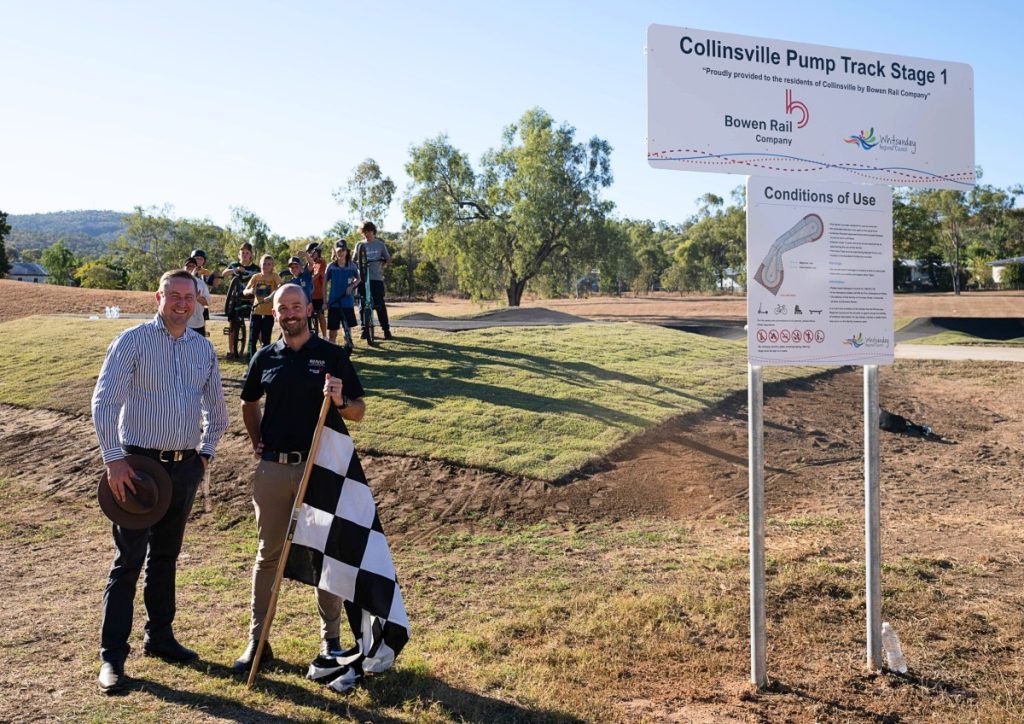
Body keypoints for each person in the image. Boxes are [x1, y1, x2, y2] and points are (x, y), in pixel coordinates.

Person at [91, 270, 229, 694]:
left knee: (166, 556)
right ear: (159, 297)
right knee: (128, 561)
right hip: (137, 468)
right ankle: (113, 656)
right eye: (174, 296)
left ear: (197, 301)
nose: (182, 304)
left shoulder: (203, 348)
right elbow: (104, 400)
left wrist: (204, 454)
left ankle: (161, 637)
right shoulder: (132, 341)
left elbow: (218, 411)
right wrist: (114, 461)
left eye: (189, 297)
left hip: (184, 466)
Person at [233, 283, 366, 672]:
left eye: (296, 306)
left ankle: (332, 644)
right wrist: (258, 441)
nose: (289, 313)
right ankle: (258, 641)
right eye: (282, 308)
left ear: (308, 309)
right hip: (273, 469)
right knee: (268, 555)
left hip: (320, 469)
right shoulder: (264, 357)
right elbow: (248, 402)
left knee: (325, 554)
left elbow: (359, 411)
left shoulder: (331, 355)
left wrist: (341, 399)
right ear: (273, 313)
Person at [352, 221, 392, 340]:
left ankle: (386, 330)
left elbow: (388, 258)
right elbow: (353, 260)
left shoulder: (380, 244)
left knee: (380, 304)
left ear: (373, 231)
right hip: (362, 279)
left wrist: (385, 261)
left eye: (369, 231)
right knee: (362, 304)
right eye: (364, 232)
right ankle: (364, 330)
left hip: (376, 278)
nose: (367, 234)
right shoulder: (359, 245)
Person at [221, 243, 260, 359]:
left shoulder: (255, 269)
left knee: (256, 323)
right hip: (235, 298)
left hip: (251, 299)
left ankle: (253, 349)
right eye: (242, 253)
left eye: (247, 253)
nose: (244, 255)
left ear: (251, 255)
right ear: (239, 254)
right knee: (233, 324)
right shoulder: (234, 265)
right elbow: (224, 273)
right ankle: (232, 351)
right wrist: (235, 270)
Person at [243, 254, 283, 354]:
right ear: (260, 264)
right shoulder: (256, 277)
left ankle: (264, 360)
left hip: (269, 314)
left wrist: (271, 296)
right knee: (252, 339)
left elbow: (281, 286)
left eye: (269, 264)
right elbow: (245, 291)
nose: (266, 266)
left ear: (272, 266)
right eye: (264, 263)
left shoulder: (274, 276)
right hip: (256, 312)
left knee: (266, 340)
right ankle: (252, 361)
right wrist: (250, 291)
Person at [324, 242, 360, 349]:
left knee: (347, 327)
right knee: (333, 331)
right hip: (334, 302)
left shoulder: (352, 265)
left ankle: (348, 345)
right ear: (335, 252)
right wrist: (325, 302)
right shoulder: (331, 266)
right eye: (339, 250)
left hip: (347, 302)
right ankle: (332, 349)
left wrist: (352, 286)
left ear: (346, 251)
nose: (341, 253)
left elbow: (359, 279)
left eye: (343, 250)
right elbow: (324, 284)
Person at [184, 256, 211, 337]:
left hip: (198, 324)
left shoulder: (201, 284)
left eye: (193, 266)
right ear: (184, 267)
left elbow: (208, 302)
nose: (191, 268)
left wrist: (198, 298)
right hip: (181, 323)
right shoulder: (177, 282)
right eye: (188, 266)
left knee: (199, 348)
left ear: (196, 269)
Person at [305, 243, 328, 337]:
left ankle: (324, 336)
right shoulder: (308, 264)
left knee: (320, 315)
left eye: (312, 252)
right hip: (309, 295)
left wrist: (307, 280)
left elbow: (317, 275)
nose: (311, 254)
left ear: (318, 252)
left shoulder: (321, 262)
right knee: (307, 316)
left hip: (319, 294)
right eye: (309, 253)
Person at [190, 249, 215, 323]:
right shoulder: (186, 271)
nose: (198, 260)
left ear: (204, 261)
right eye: (196, 258)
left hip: (200, 308)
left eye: (201, 258)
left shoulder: (205, 272)